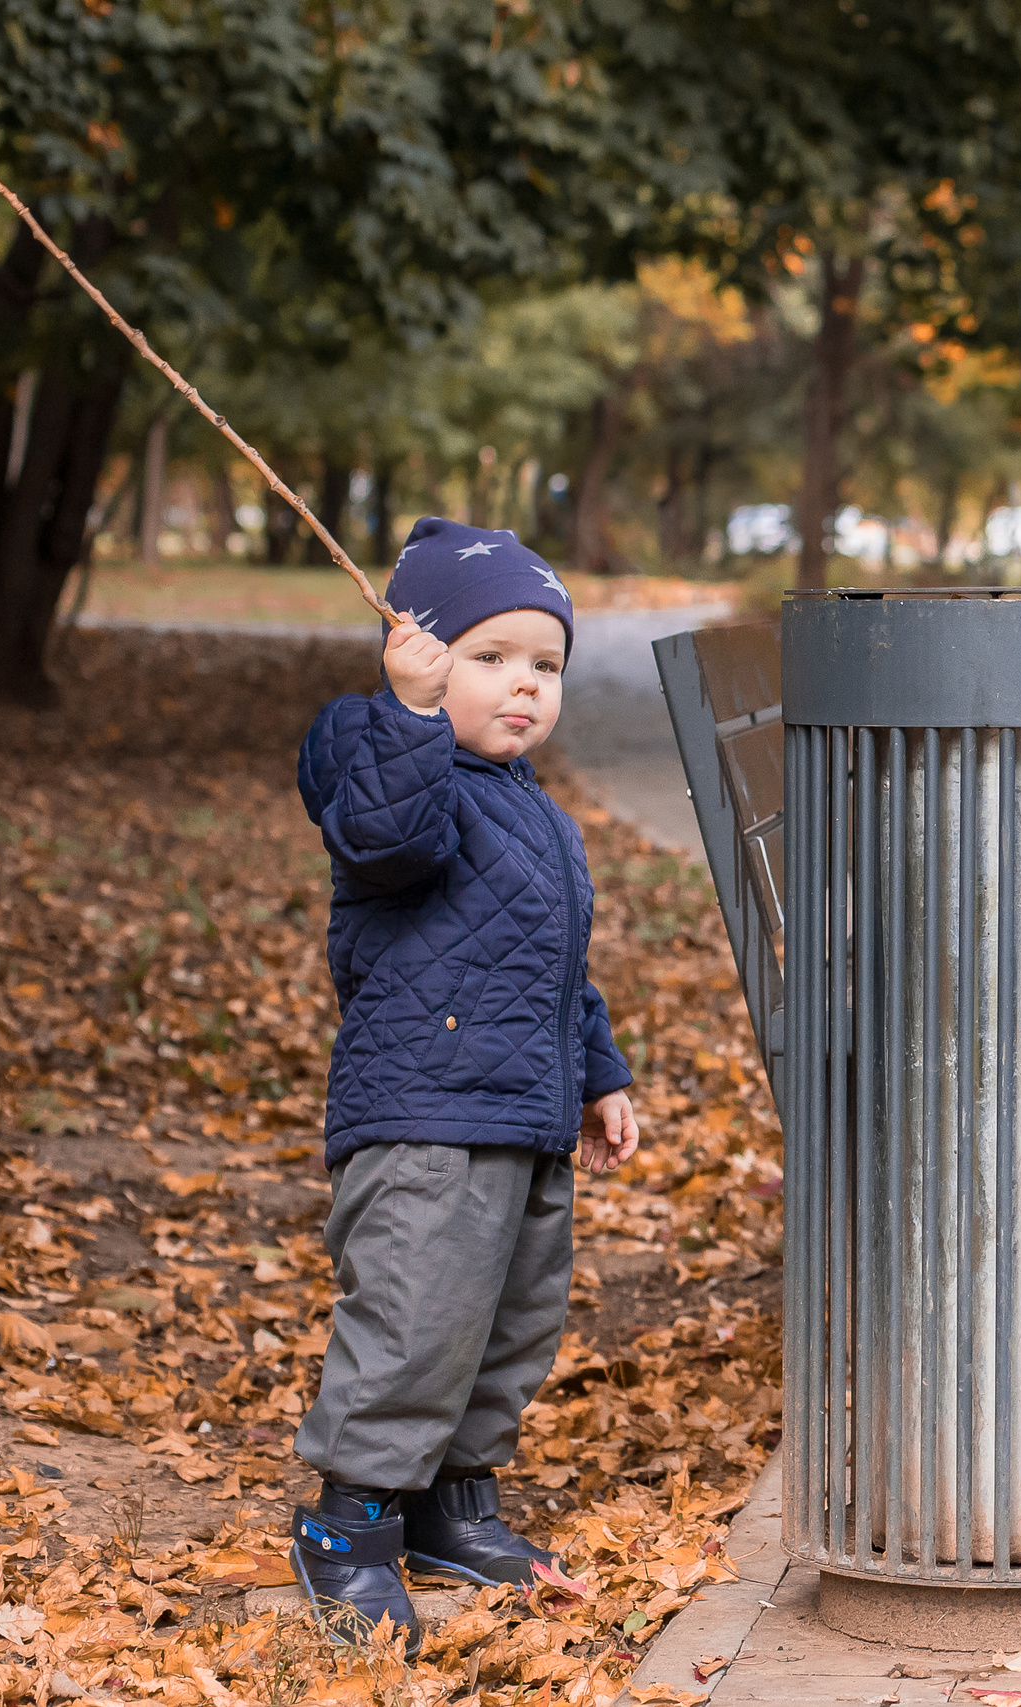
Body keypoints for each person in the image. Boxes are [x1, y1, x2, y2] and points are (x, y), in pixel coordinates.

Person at [288, 517, 640, 1647]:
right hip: (424, 1115)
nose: (525, 687)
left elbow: (551, 969)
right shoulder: (374, 746)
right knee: (416, 1319)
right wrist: (410, 711)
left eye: (545, 665)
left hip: (524, 1114)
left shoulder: (535, 811)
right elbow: (386, 844)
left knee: (508, 1323)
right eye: (491, 659)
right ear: (422, 650)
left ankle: (454, 1501)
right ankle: (350, 1527)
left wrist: (599, 1074)